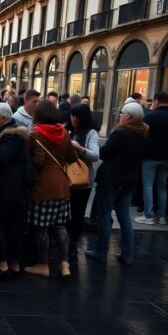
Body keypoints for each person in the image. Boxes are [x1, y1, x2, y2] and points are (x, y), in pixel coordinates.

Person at [85, 102, 149, 265]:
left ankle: (101, 251)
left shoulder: (120, 133)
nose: (120, 115)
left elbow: (104, 153)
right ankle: (127, 253)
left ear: (128, 116)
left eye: (122, 113)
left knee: (105, 215)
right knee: (124, 216)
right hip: (128, 180)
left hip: (111, 178)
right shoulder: (143, 134)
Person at [25, 100, 77, 278]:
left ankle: (43, 264)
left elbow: (37, 162)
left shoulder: (35, 134)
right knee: (60, 226)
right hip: (62, 185)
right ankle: (64, 263)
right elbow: (73, 157)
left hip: (42, 186)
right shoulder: (63, 132)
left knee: (42, 227)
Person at [0, 102, 30, 280]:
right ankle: (15, 265)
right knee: (13, 227)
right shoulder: (11, 132)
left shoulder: (11, 136)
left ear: (3, 119)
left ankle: (3, 265)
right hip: (12, 188)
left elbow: (2, 157)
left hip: (7, 189)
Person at [136, 91, 168, 225]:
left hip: (149, 157)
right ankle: (162, 216)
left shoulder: (150, 117)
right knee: (162, 186)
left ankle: (148, 215)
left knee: (148, 185)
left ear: (155, 101)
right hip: (167, 157)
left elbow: (141, 134)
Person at [66, 103, 100, 259]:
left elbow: (95, 155)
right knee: (66, 212)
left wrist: (79, 148)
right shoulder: (68, 129)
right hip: (66, 176)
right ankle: (64, 241)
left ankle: (73, 242)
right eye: (72, 115)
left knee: (78, 212)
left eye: (77, 116)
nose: (74, 119)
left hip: (82, 179)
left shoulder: (91, 133)